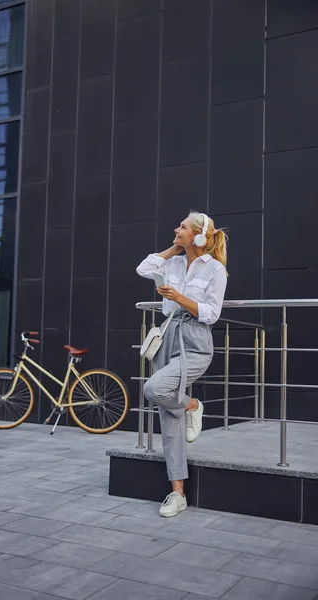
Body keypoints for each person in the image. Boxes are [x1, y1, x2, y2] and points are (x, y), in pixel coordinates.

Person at [136, 211, 228, 518]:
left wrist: (177, 296)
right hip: (168, 335)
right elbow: (143, 268)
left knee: (154, 389)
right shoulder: (172, 261)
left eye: (183, 227)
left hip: (196, 339)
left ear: (199, 236)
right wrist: (174, 249)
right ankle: (177, 494)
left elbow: (211, 313)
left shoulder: (214, 269)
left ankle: (191, 405)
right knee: (167, 418)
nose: (176, 229)